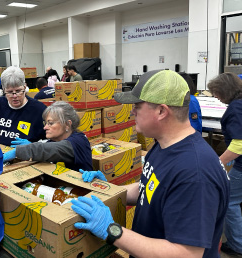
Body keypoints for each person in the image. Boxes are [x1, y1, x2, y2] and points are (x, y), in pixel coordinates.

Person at [71, 69, 229, 258]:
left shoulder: (195, 173)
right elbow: (148, 187)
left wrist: (112, 230)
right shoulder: (163, 144)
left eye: (137, 105)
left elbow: (186, 253)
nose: (132, 111)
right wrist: (108, 190)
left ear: (161, 111)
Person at [208, 72, 242, 256]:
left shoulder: (236, 108)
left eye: (216, 92)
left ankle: (237, 245)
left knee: (230, 202)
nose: (215, 97)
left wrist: (217, 162)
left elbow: (239, 143)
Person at [3, 101, 93, 171]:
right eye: (45, 123)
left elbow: (51, 149)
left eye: (50, 123)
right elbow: (46, 146)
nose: (45, 127)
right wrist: (31, 144)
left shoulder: (78, 141)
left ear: (67, 124)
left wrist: (17, 152)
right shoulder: (55, 140)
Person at [0, 66, 47, 146]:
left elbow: (51, 141)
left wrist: (34, 145)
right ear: (3, 90)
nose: (14, 96)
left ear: (25, 87)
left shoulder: (39, 110)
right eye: (9, 92)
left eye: (18, 91)